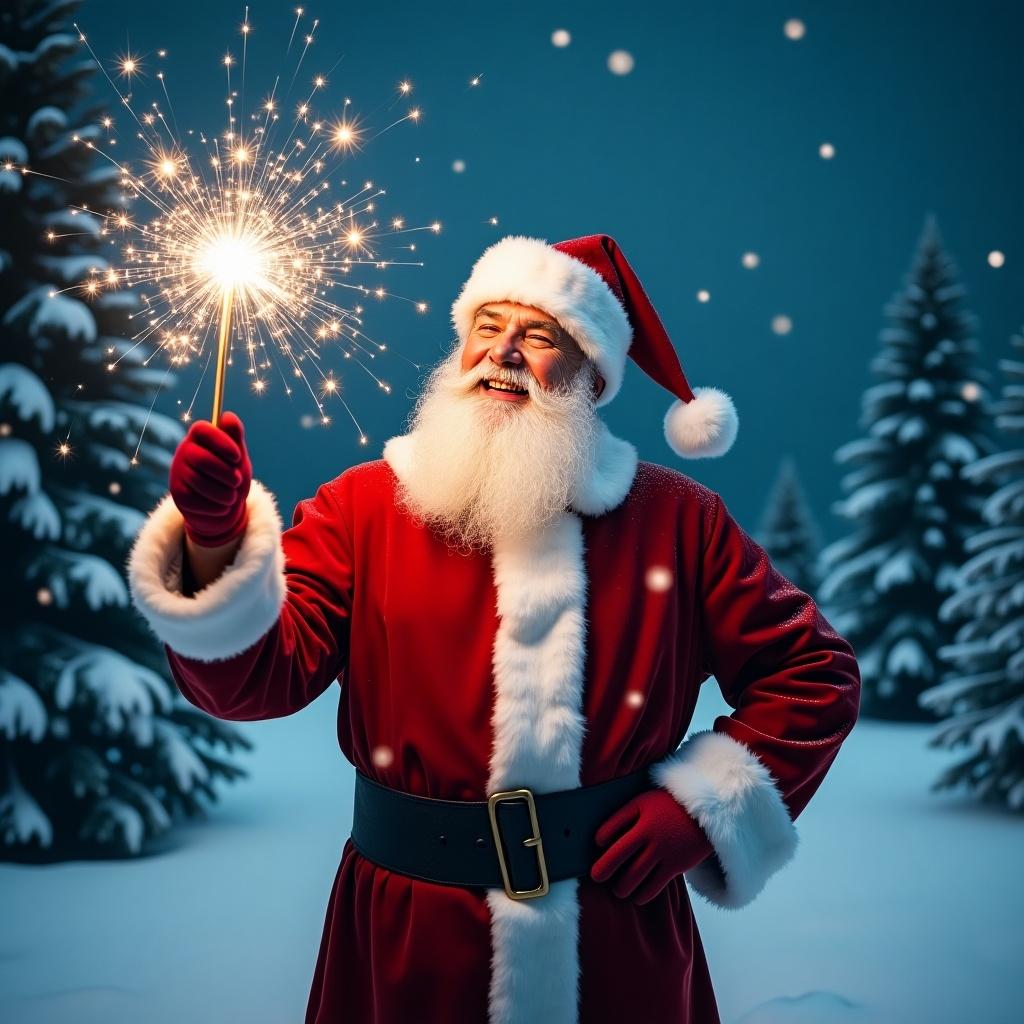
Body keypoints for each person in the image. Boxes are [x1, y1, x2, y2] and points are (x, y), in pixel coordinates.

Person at [127, 234, 861, 1024]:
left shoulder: (679, 521)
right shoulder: (362, 508)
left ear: (591, 373)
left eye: (540, 336)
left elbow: (814, 674)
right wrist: (212, 544)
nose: (503, 351)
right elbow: (252, 682)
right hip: (406, 937)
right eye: (488, 325)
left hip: (614, 936)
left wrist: (700, 810)